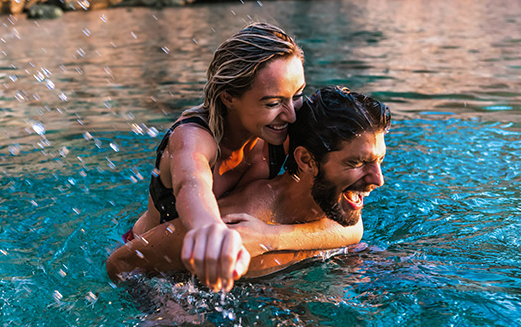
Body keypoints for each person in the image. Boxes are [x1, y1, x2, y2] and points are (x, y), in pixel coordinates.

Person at [126, 23, 360, 291]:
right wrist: (210, 231)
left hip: (238, 255)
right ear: (229, 98)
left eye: (297, 95)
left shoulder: (287, 128)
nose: (292, 115)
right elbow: (191, 184)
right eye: (272, 103)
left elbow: (351, 227)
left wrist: (270, 236)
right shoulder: (193, 137)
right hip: (155, 271)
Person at [107, 86, 391, 291]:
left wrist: (270, 238)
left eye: (379, 160)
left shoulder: (334, 204)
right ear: (305, 160)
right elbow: (121, 263)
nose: (378, 179)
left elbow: (353, 231)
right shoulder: (238, 223)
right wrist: (164, 305)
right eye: (357, 162)